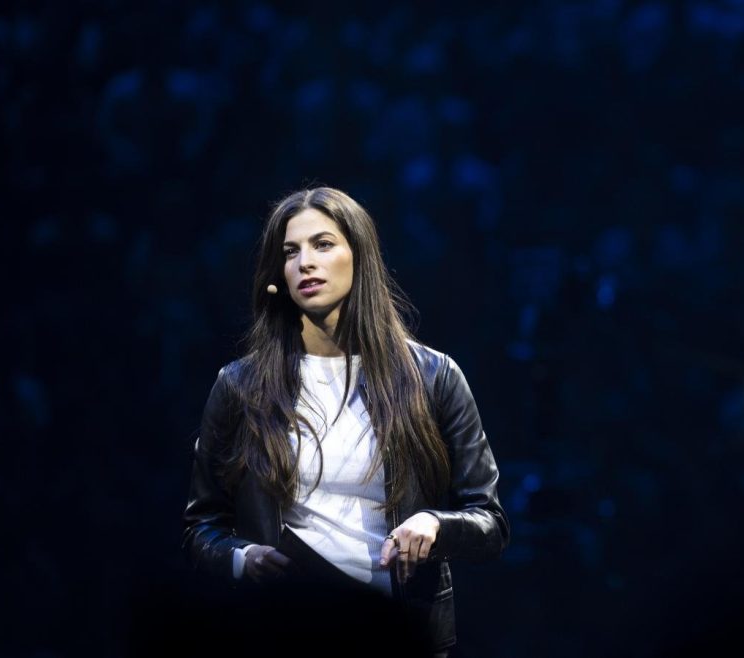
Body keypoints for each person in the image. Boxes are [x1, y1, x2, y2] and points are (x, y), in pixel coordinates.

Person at [183, 187, 509, 655]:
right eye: (290, 252)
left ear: (360, 257)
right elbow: (201, 527)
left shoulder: (433, 376)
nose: (305, 263)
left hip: (398, 630)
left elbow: (490, 522)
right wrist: (243, 557)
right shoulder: (240, 386)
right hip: (284, 628)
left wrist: (434, 524)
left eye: (323, 244)